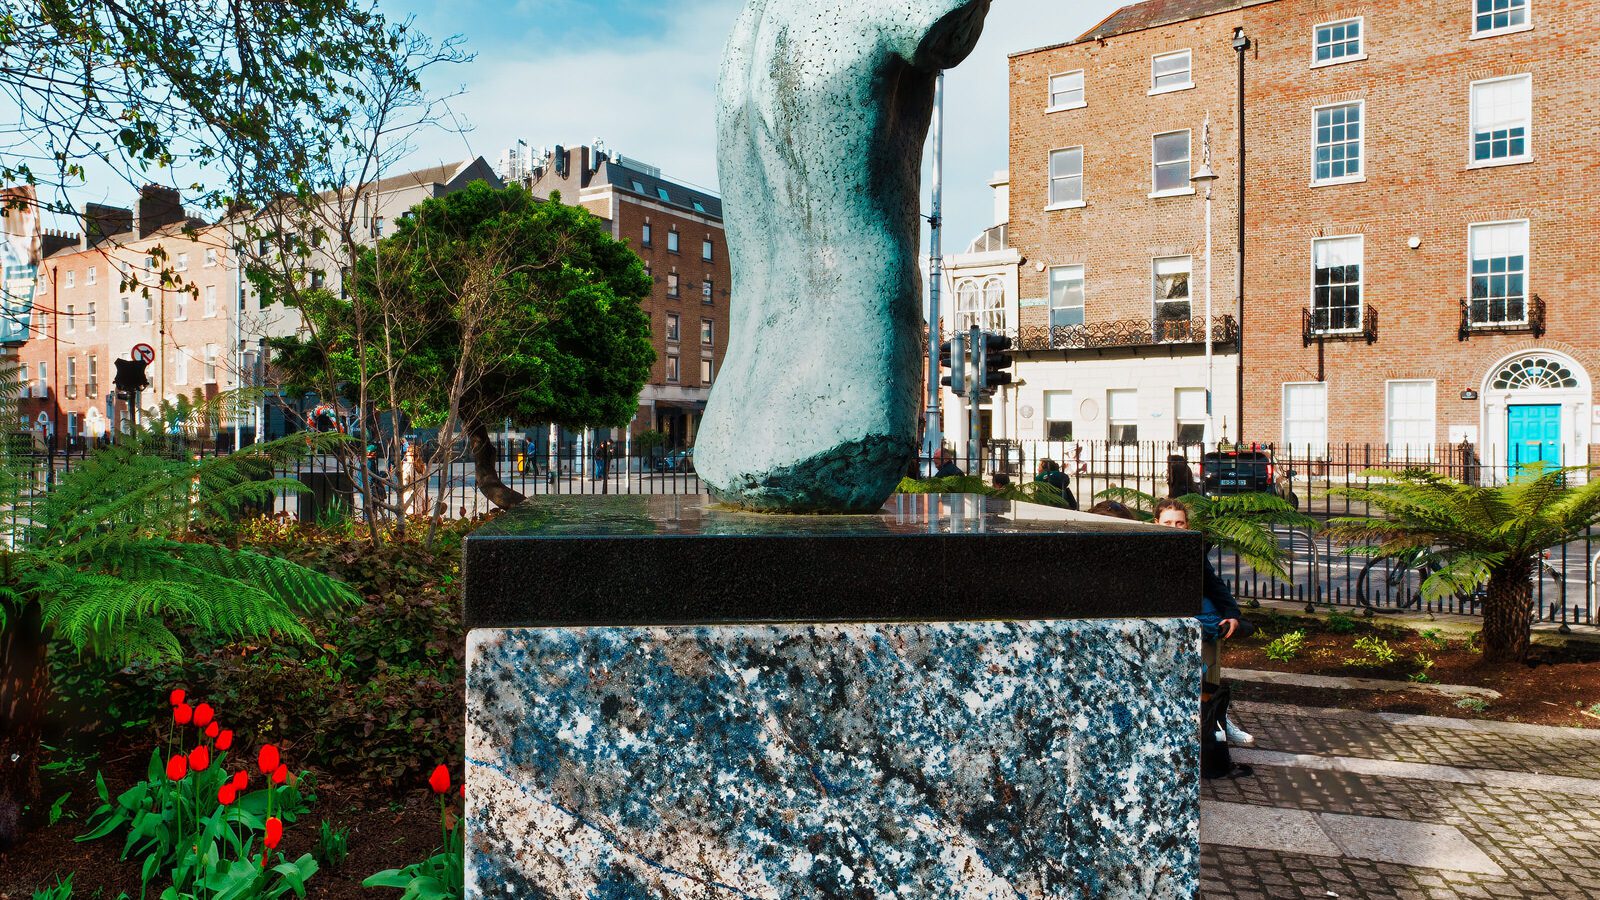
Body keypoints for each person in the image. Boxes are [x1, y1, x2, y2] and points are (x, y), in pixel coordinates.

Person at [1154, 498, 1256, 764]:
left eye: (1180, 523)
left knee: (1208, 660)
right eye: (1168, 523)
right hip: (1164, 622)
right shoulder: (1148, 549)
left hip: (1197, 619)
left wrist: (1232, 614)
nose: (1175, 528)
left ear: (1187, 525)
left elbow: (1213, 584)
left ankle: (1216, 720)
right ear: (1156, 524)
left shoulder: (1193, 549)